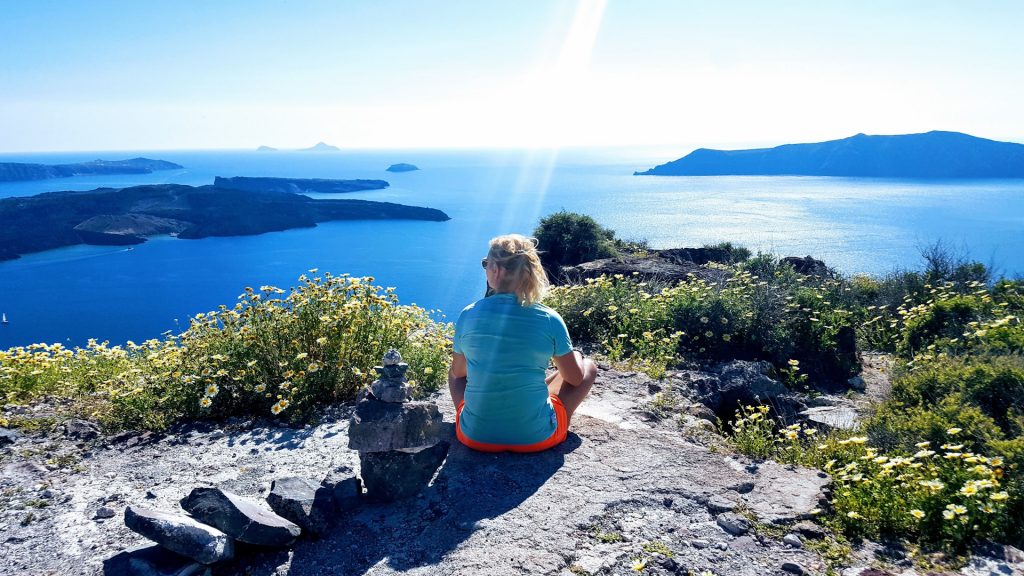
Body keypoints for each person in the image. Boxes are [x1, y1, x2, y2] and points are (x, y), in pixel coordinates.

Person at [448, 234, 597, 452]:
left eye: (486, 264)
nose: (486, 269)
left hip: (474, 437)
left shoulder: (468, 315)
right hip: (536, 440)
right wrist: (575, 355)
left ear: (496, 270)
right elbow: (575, 378)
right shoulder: (549, 318)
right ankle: (545, 421)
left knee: (453, 374)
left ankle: (477, 420)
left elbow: (459, 373)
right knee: (588, 367)